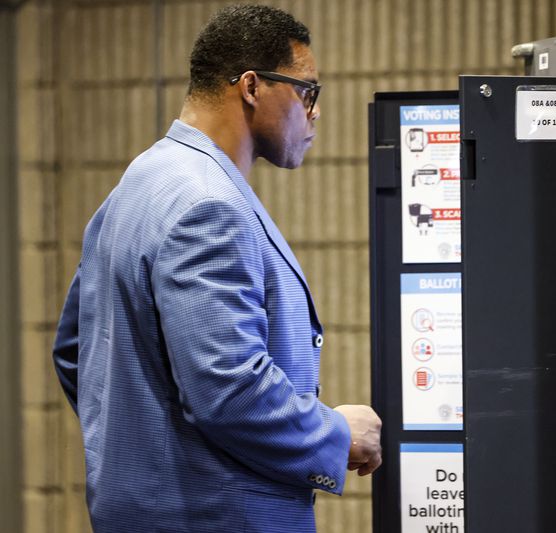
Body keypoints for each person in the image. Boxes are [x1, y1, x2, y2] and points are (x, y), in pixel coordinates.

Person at [52, 5, 382, 532]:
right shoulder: (211, 206)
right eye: (306, 91)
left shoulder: (138, 183)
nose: (314, 113)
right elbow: (229, 392)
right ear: (252, 87)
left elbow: (75, 351)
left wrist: (140, 455)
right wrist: (336, 433)